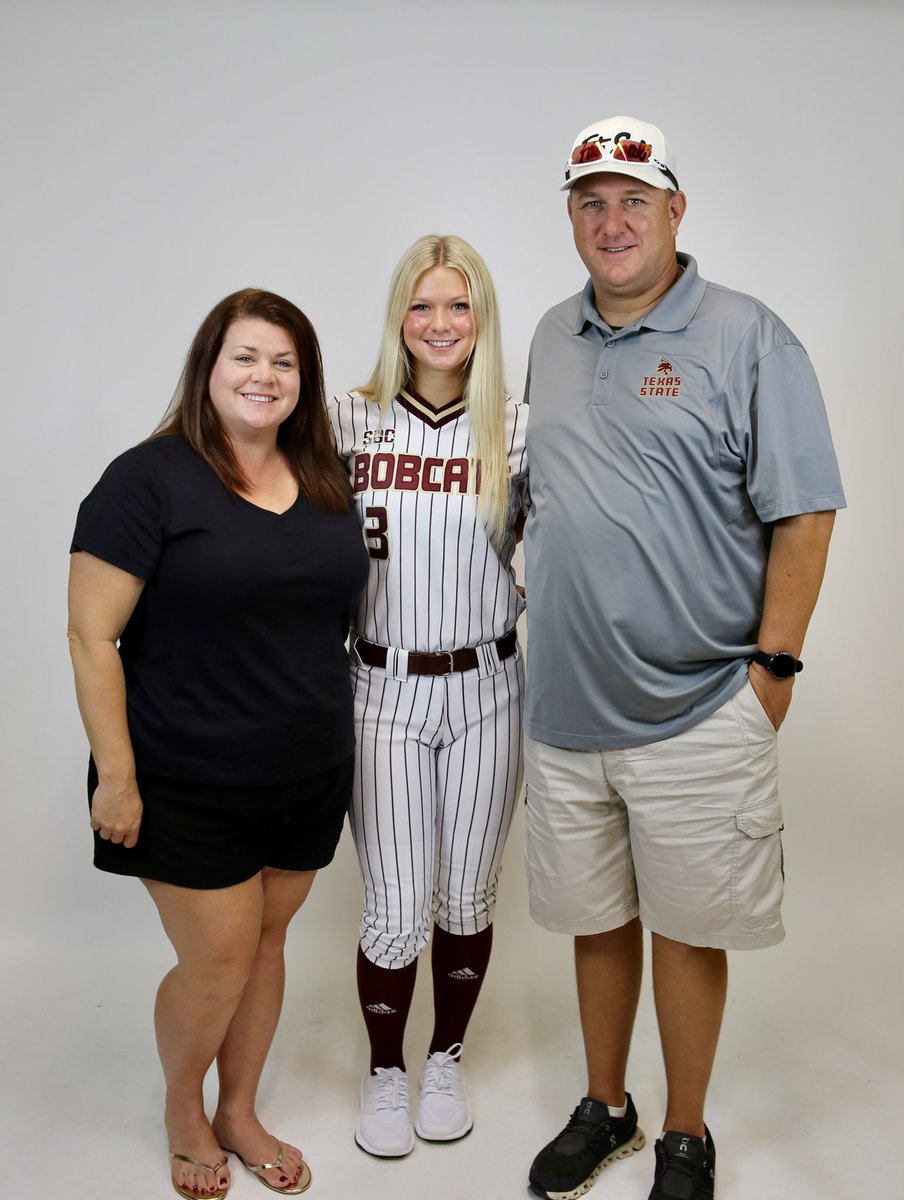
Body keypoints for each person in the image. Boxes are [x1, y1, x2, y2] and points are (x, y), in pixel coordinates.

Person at [522, 116, 845, 1200]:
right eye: (589, 201)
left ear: (675, 211)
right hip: (565, 709)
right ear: (570, 216)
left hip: (700, 705)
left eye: (633, 200)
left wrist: (772, 677)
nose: (611, 223)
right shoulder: (547, 340)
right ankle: (605, 1107)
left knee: (686, 930)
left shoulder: (748, 335)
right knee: (596, 919)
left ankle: (685, 1133)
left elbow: (803, 511)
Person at [67, 289, 369, 1199]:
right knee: (221, 958)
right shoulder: (147, 478)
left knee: (269, 946)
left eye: (283, 362)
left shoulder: (322, 479)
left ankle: (239, 1109)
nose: (263, 377)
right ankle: (184, 1109)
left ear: (303, 382)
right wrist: (117, 779)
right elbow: (91, 636)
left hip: (309, 769)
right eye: (245, 357)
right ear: (207, 367)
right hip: (185, 775)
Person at [328, 234, 528, 1158]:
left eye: (459, 305)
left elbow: (569, 538)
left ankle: (444, 1056)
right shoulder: (347, 421)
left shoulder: (518, 428)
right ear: (397, 320)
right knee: (396, 901)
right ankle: (385, 1070)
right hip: (383, 685)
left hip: (490, 684)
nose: (440, 323)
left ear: (481, 318)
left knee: (467, 894)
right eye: (422, 305)